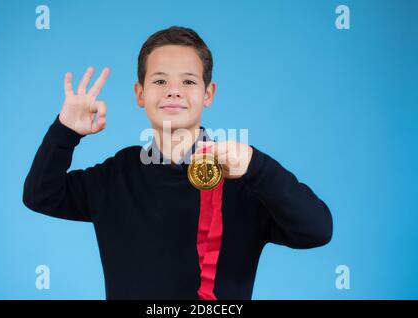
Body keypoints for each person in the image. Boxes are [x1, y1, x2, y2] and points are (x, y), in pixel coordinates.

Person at [23, 26, 333, 300]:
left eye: (188, 81)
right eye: (159, 80)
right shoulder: (118, 174)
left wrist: (258, 166)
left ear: (208, 94)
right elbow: (40, 195)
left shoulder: (243, 175)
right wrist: (65, 131)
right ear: (140, 93)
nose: (173, 90)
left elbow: (317, 231)